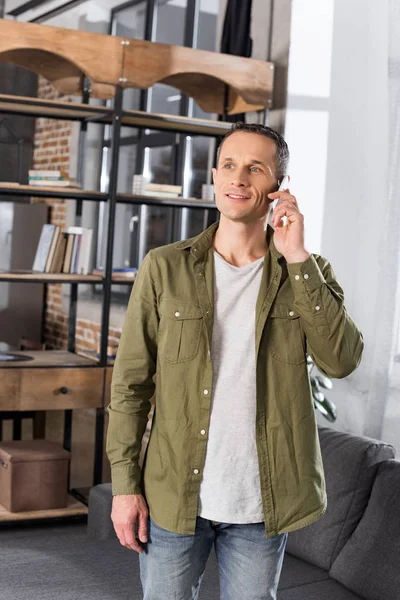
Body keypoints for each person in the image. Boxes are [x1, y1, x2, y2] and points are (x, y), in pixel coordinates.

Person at [106, 122, 364, 600]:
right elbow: (130, 386)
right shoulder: (164, 267)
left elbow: (342, 360)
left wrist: (297, 257)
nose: (238, 178)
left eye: (255, 168)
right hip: (173, 498)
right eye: (229, 164)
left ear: (277, 189)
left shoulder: (307, 272)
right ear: (214, 177)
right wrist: (125, 487)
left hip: (262, 506)